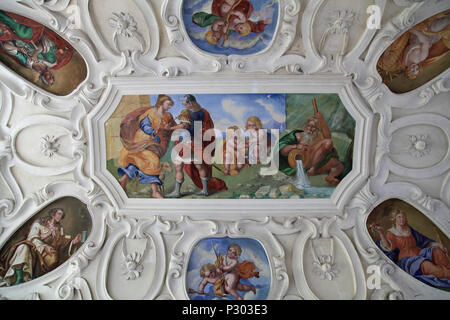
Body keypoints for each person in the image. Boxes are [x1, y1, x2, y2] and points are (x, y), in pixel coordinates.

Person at [0, 208, 82, 286]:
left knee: (54, 258)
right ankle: (19, 277)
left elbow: (61, 242)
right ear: (53, 214)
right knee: (23, 248)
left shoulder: (59, 229)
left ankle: (35, 277)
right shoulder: (39, 223)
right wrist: (44, 246)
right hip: (34, 248)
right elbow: (32, 238)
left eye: (62, 215)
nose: (60, 217)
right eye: (59, 214)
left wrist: (73, 242)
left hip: (46, 253)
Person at [166, 94, 227, 197]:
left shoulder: (193, 115)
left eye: (185, 103)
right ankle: (203, 190)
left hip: (188, 145)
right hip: (191, 144)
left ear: (190, 103)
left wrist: (170, 128)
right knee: (194, 167)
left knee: (185, 166)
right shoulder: (200, 113)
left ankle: (181, 192)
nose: (183, 105)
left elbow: (183, 126)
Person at [372, 209, 450, 288]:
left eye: (403, 217)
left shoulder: (410, 230)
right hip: (407, 260)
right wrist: (381, 234)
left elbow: (424, 241)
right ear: (394, 219)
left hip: (419, 252)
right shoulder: (391, 232)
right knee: (426, 265)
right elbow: (388, 247)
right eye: (399, 217)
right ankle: (447, 274)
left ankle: (448, 269)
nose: (402, 219)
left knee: (436, 250)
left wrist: (439, 245)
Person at [118, 94, 177, 198]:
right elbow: (144, 125)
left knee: (140, 161)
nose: (169, 107)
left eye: (170, 105)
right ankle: (155, 192)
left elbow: (172, 126)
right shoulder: (150, 113)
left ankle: (122, 180)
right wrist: (153, 132)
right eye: (168, 104)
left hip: (155, 143)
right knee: (152, 161)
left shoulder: (168, 116)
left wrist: (171, 128)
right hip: (142, 141)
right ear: (161, 103)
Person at [0, 10, 73, 86]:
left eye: (48, 79)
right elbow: (44, 45)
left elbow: (6, 46)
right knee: (22, 33)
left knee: (2, 33)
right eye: (51, 77)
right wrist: (34, 54)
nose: (49, 76)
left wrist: (18, 49)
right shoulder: (51, 61)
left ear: (42, 79)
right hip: (33, 36)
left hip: (15, 39)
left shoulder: (27, 64)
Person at [278, 112, 344, 185]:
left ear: (317, 129)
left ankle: (329, 176)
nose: (309, 129)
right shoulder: (298, 136)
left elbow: (328, 139)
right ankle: (312, 169)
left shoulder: (318, 137)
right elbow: (282, 150)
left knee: (338, 165)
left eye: (313, 127)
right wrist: (296, 146)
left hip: (314, 162)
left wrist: (322, 120)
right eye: (308, 126)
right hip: (299, 162)